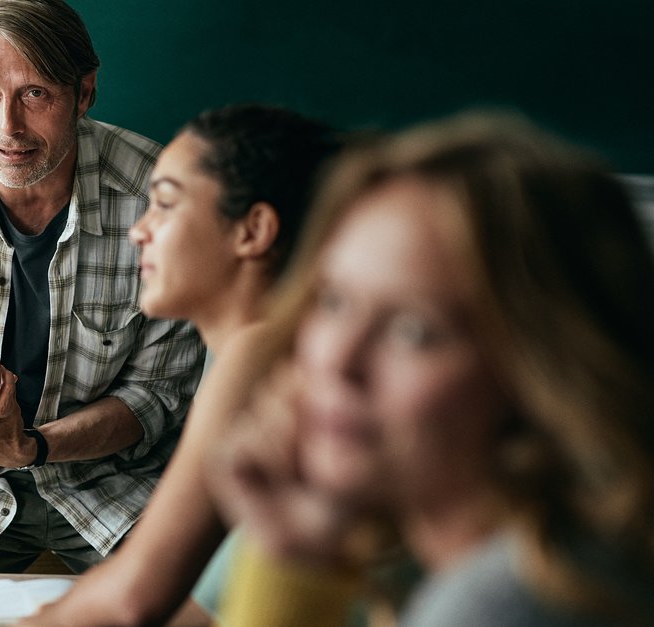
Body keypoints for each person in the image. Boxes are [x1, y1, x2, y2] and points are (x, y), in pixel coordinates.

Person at [212, 112, 654, 625]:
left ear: (546, 370)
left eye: (415, 332)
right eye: (332, 301)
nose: (337, 360)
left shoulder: (503, 603)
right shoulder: (561, 553)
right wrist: (296, 553)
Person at [0, 0, 205, 574]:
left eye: (36, 94)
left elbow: (155, 397)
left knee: (187, 604)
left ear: (85, 91)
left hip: (119, 481)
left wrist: (33, 447)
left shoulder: (162, 205)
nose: (8, 129)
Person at [21, 103, 340, 625]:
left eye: (166, 205)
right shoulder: (257, 351)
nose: (139, 232)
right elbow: (204, 606)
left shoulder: (256, 356)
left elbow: (133, 598)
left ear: (252, 230)